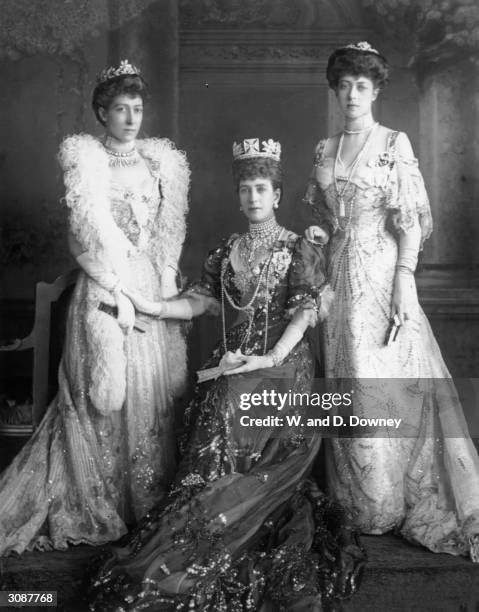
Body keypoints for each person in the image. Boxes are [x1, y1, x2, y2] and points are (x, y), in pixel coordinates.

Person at [89, 138, 365, 611]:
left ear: (276, 196)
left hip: (284, 365)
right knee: (218, 394)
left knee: (231, 394)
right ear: (238, 196)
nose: (253, 198)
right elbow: (200, 301)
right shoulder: (227, 251)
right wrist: (150, 307)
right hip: (237, 358)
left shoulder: (297, 248)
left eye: (261, 189)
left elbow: (303, 315)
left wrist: (269, 358)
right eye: (245, 190)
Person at [0, 60, 190, 554]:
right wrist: (116, 286)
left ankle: (147, 499)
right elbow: (79, 240)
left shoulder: (156, 163)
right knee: (105, 393)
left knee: (154, 392)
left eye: (138, 109)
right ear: (102, 113)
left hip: (149, 285)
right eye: (121, 109)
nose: (131, 118)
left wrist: (163, 282)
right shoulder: (88, 161)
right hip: (106, 286)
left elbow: (168, 232)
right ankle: (100, 497)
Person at [304, 42, 479, 561]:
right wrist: (317, 231)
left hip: (381, 275)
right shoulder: (324, 148)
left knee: (377, 375)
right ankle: (356, 500)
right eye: (344, 85)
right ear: (335, 90)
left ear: (376, 90)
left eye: (363, 85)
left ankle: (385, 500)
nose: (352, 94)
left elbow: (409, 222)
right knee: (345, 377)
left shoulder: (393, 144)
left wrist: (405, 279)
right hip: (337, 277)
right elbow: (321, 213)